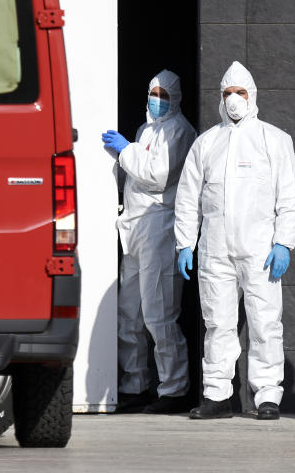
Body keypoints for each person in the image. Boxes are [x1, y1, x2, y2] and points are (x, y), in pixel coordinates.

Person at [173, 61, 295, 420]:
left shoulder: (274, 140)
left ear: (252, 96)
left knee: (264, 323)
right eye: (228, 93)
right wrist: (185, 242)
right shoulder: (206, 143)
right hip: (215, 251)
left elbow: (289, 198)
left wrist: (284, 243)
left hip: (261, 251)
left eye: (240, 93)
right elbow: (187, 197)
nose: (233, 100)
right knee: (218, 324)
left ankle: (267, 396)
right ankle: (217, 395)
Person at [102, 69, 197, 413]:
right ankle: (135, 385)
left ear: (176, 98)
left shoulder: (180, 131)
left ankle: (173, 390)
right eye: (153, 93)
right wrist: (125, 153)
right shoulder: (146, 130)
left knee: (159, 314)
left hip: (160, 227)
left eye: (164, 94)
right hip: (135, 229)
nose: (157, 100)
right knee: (129, 315)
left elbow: (158, 176)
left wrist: (125, 150)